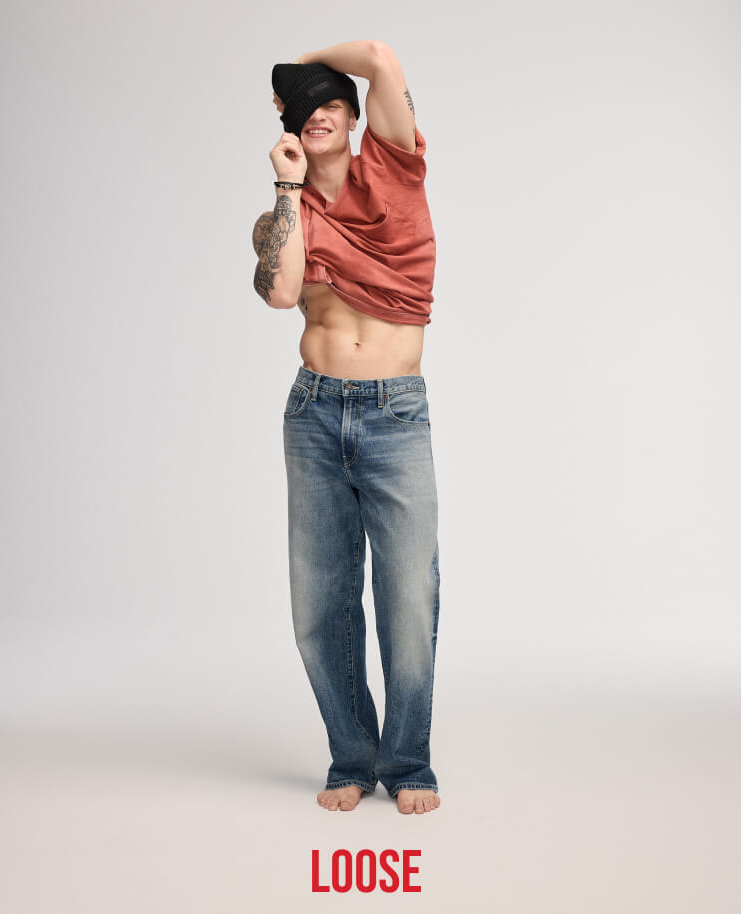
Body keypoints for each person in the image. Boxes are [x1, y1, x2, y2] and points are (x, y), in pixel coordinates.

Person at [252, 40, 441, 815]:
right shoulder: (284, 213)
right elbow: (279, 293)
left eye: (332, 102)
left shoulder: (395, 168)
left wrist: (300, 67)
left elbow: (378, 57)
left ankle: (409, 762)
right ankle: (351, 756)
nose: (320, 113)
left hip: (395, 412)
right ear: (290, 127)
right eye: (307, 106)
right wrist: (287, 185)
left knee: (409, 596)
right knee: (321, 602)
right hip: (315, 412)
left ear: (356, 117)